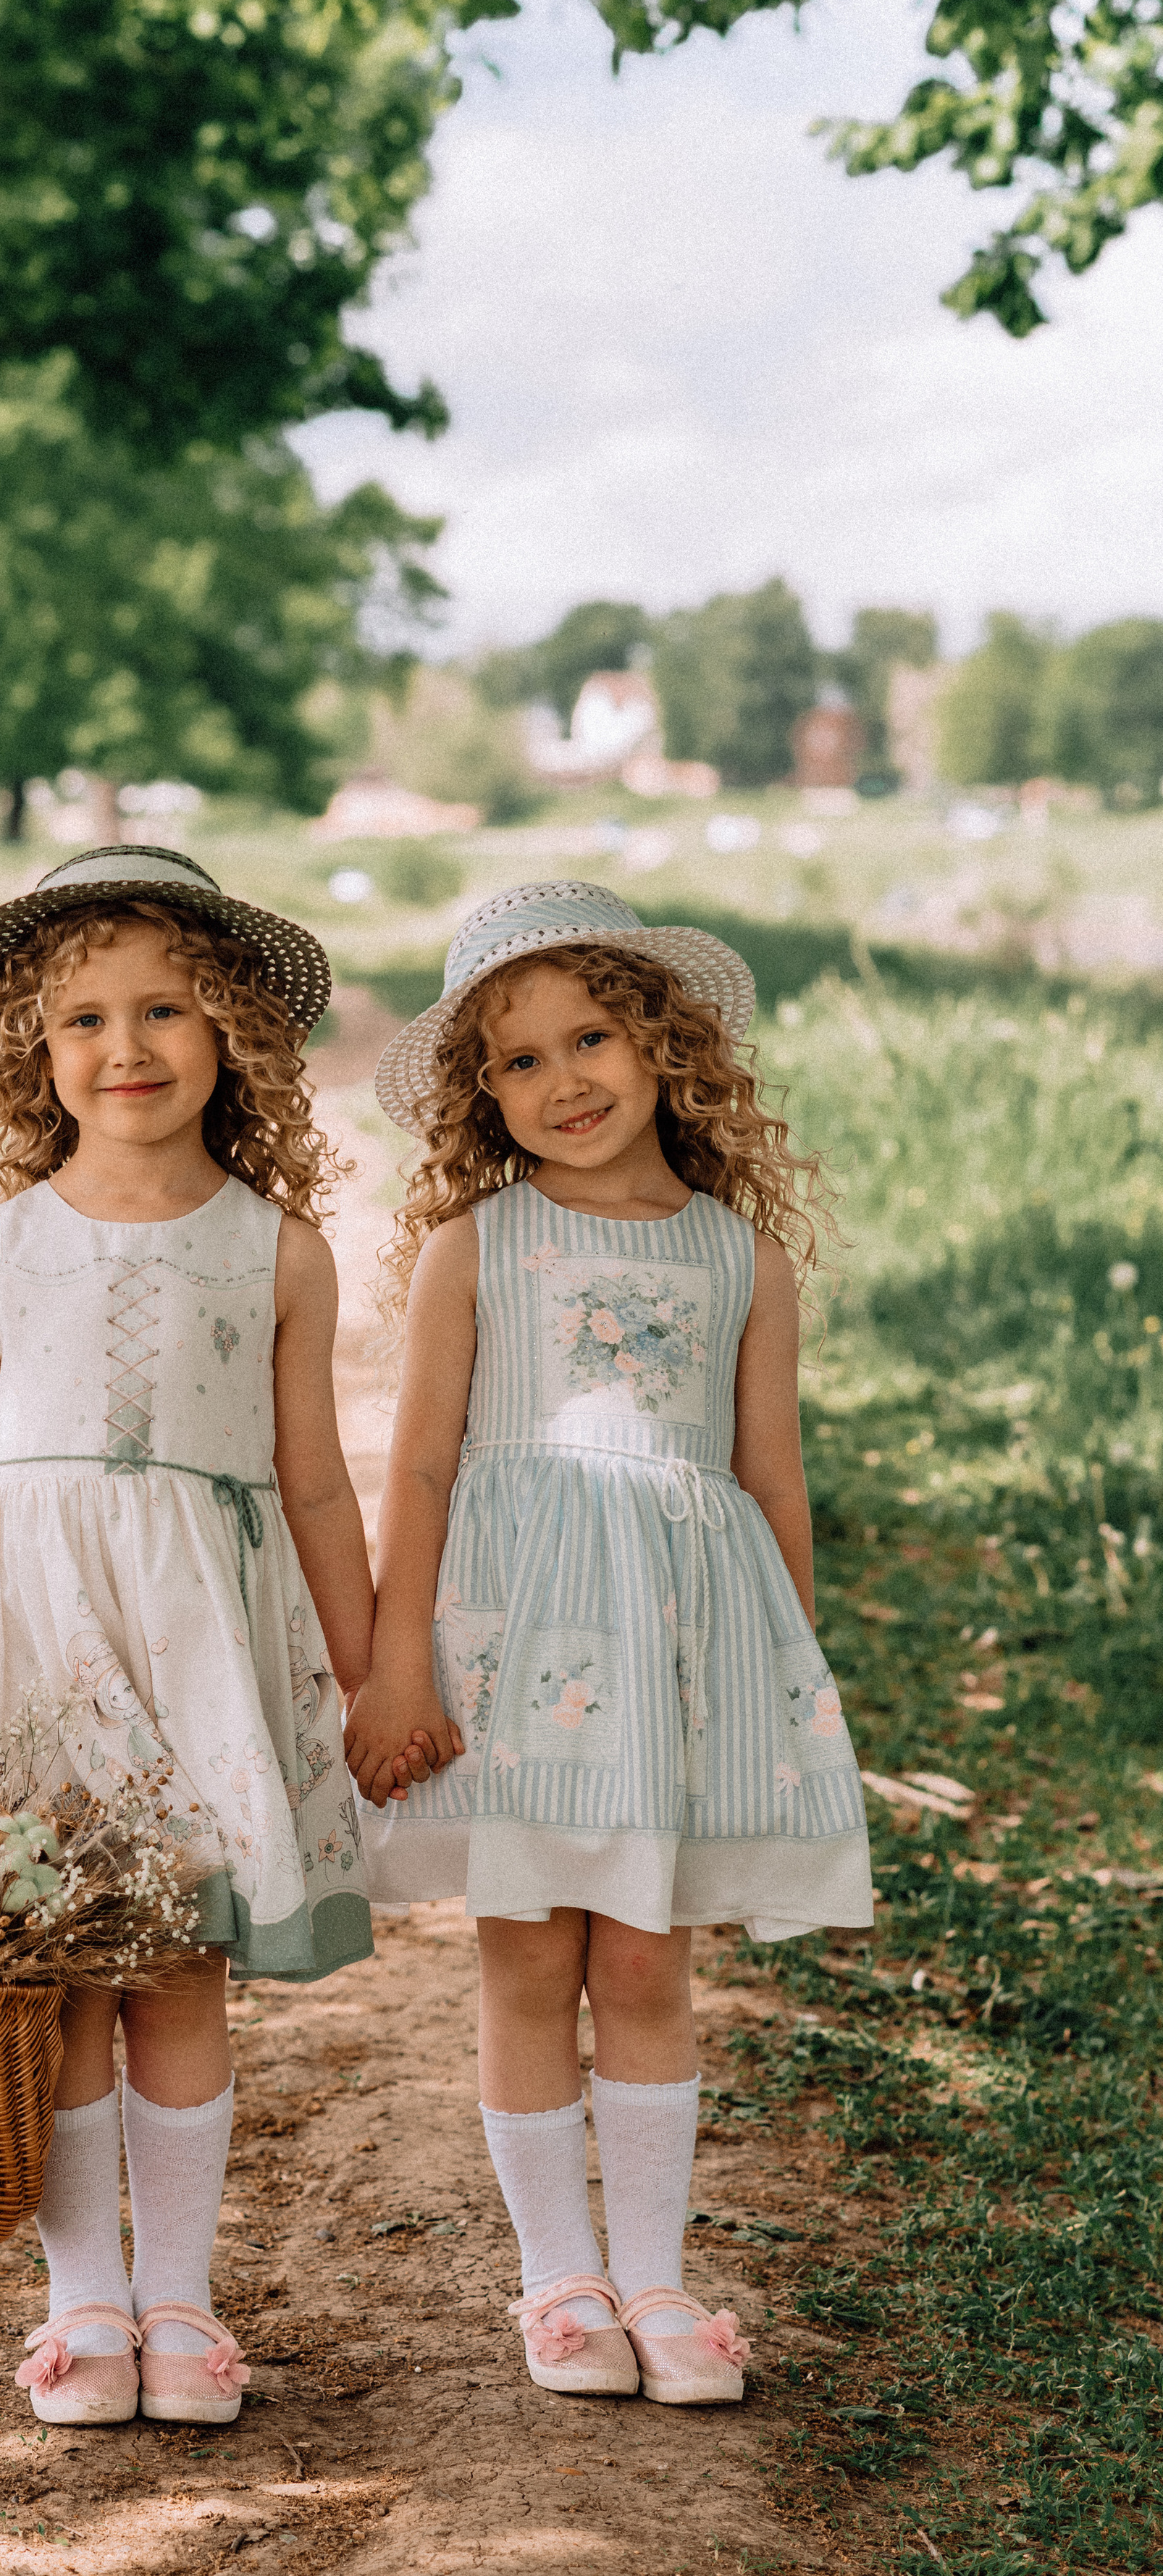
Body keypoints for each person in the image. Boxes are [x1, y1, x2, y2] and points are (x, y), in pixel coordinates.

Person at [345, 881, 872, 2405]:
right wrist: (395, 1666)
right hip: (511, 1651)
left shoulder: (735, 1260)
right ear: (477, 1093)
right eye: (515, 1061)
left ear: (661, 1049)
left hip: (668, 1667)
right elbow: (421, 1468)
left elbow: (768, 1482)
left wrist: (785, 1689)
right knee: (526, 1957)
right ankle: (555, 2282)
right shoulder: (475, 1246)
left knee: (643, 1960)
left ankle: (651, 2272)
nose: (560, 1082)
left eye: (588, 1039)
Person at [0, 845, 375, 2429]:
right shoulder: (0, 1251)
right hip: (28, 1651)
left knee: (172, 1970)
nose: (126, 1047)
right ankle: (81, 2300)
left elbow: (313, 1483)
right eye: (83, 1018)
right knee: (58, 1974)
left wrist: (372, 1676)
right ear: (34, 1053)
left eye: (165, 1008)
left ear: (231, 1032)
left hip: (192, 1650)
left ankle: (179, 2296)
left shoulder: (275, 1247)